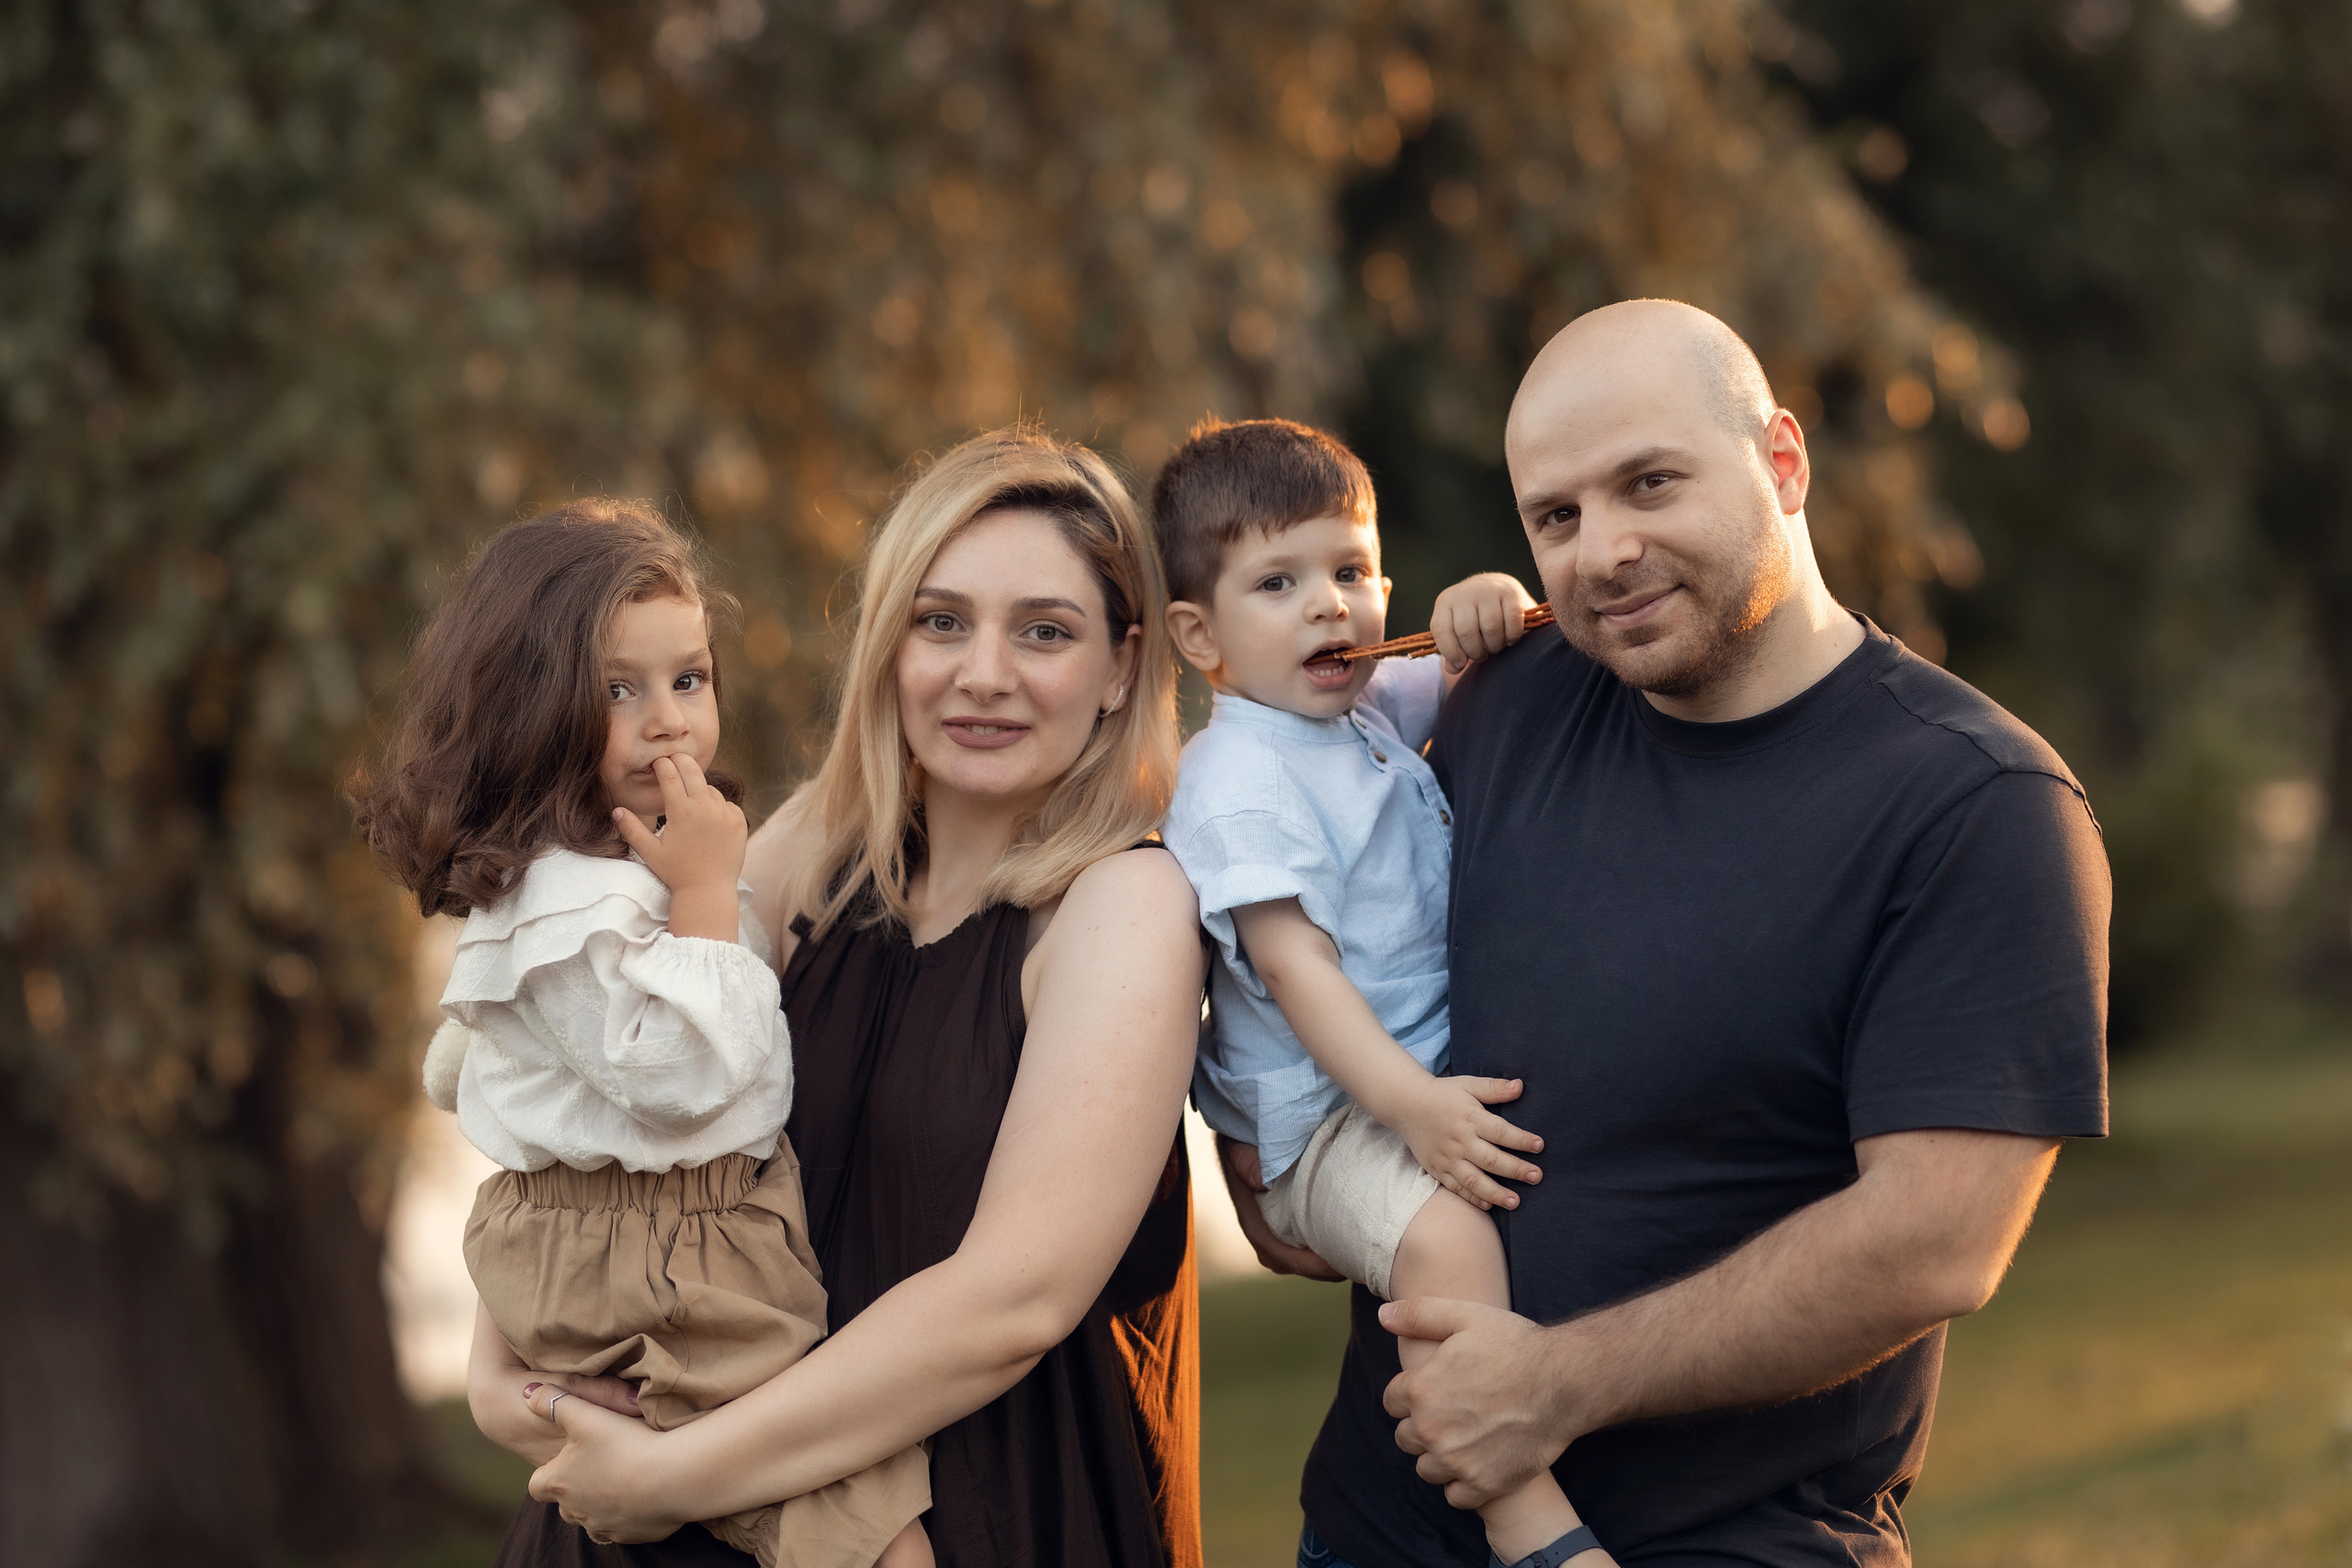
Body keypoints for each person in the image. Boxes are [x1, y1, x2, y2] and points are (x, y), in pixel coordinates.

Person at [1220, 300, 2112, 1565]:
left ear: (1782, 462)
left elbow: (1934, 1242)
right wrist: (1274, 1152)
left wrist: (1555, 1385)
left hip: (1729, 1542)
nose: (1604, 552)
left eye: (1650, 483)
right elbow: (1295, 895)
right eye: (1556, 516)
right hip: (1376, 1529)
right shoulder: (1501, 704)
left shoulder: (1974, 804)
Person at [466, 428, 1210, 1568]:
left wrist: (674, 1476)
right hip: (659, 1520)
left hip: (969, 1517)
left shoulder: (1124, 906)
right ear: (887, 643)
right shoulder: (813, 850)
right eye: (941, 621)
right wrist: (501, 1369)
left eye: (1045, 632)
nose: (983, 674)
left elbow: (1012, 1301)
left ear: (1122, 666)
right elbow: (599, 1085)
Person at [353, 502, 933, 1568]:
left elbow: (475, 1056)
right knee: (868, 1526)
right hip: (660, 1256)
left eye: (689, 679)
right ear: (530, 709)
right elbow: (680, 1077)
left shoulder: (583, 875)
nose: (667, 721)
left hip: (639, 1243)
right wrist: (709, 895)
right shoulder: (575, 903)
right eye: (619, 691)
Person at [1153, 418, 1611, 1568]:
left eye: (1351, 572)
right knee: (1446, 1241)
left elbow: (1465, 672)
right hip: (1328, 1122)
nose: (1330, 607)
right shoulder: (1239, 776)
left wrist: (1491, 603)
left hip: (1403, 1086)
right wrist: (1412, 1108)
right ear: (1199, 635)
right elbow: (1295, 973)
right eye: (1279, 583)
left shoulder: (1358, 714)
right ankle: (1523, 1516)